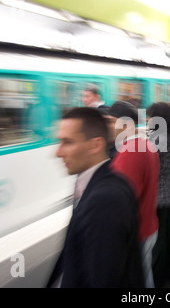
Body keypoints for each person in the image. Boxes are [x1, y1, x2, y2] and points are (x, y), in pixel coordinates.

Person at [47, 107, 144, 288]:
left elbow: (103, 278)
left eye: (67, 142)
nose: (58, 152)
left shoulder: (105, 201)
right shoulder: (94, 182)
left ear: (96, 145)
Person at [108, 101, 160, 288]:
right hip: (148, 225)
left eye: (110, 121)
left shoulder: (130, 152)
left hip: (138, 233)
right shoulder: (144, 144)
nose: (107, 126)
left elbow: (121, 204)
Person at [147, 102, 170, 288]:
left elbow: (151, 166)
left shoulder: (156, 139)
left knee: (158, 238)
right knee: (168, 234)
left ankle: (157, 276)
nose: (148, 120)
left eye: (151, 116)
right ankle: (167, 271)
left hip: (159, 193)